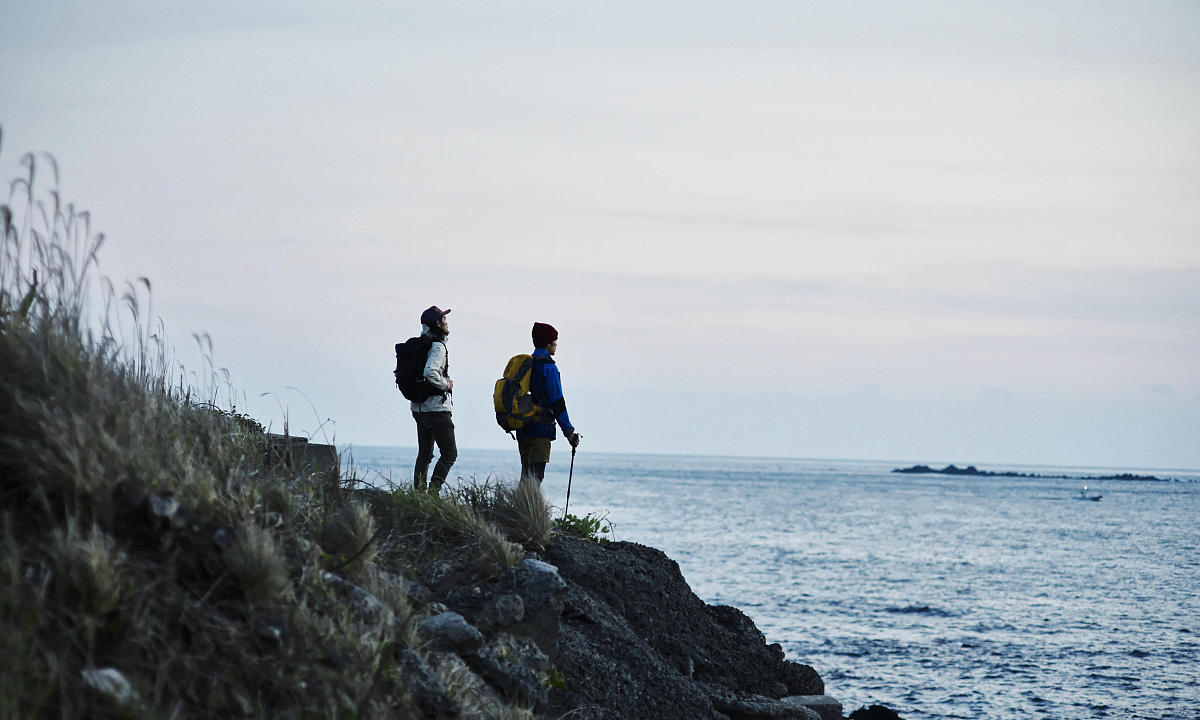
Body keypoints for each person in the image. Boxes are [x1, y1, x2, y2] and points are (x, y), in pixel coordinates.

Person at [517, 322, 580, 483]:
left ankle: (517, 508)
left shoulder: (526, 364)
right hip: (540, 430)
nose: (556, 344)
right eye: (554, 340)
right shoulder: (548, 368)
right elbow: (557, 402)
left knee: (526, 477)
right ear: (547, 343)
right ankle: (526, 508)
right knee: (535, 479)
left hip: (522, 428)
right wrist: (569, 432)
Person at [411, 305, 456, 493]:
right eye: (444, 320)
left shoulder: (419, 345)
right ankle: (432, 492)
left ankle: (418, 493)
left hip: (418, 408)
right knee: (449, 454)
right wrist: (446, 384)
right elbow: (430, 372)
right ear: (437, 324)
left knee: (425, 454)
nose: (446, 323)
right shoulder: (437, 346)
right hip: (437, 410)